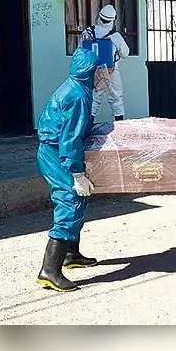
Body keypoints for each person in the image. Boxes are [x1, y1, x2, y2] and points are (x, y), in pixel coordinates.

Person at [35, 47, 102, 292]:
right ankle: (49, 270)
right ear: (90, 71)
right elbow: (70, 139)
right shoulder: (77, 96)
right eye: (98, 70)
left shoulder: (77, 87)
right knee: (70, 201)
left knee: (79, 200)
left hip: (55, 149)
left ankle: (70, 254)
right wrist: (76, 173)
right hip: (56, 153)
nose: (102, 75)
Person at [81, 4, 129, 122]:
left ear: (99, 17)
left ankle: (88, 127)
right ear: (112, 20)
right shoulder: (115, 36)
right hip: (110, 70)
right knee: (116, 97)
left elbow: (81, 51)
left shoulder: (87, 32)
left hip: (93, 70)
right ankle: (119, 125)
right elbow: (125, 54)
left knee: (94, 98)